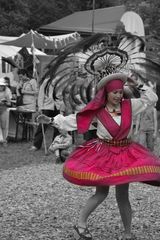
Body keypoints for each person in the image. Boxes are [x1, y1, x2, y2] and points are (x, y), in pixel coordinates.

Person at [37, 73, 160, 240]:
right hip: (105, 155)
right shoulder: (98, 112)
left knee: (123, 195)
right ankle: (80, 225)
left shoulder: (130, 105)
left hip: (125, 153)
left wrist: (136, 84)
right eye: (114, 92)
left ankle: (127, 233)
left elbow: (152, 99)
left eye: (120, 92)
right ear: (106, 93)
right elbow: (75, 120)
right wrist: (51, 120)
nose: (118, 95)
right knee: (101, 193)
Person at [29, 78, 59, 151]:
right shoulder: (46, 82)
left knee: (57, 127)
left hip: (57, 106)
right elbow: (41, 95)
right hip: (47, 106)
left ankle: (54, 145)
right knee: (42, 126)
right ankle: (36, 145)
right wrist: (40, 107)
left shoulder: (60, 81)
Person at [0, 77, 12, 146]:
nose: (1, 87)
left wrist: (4, 102)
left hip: (4, 109)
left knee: (4, 125)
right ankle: (1, 139)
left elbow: (9, 103)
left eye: (2, 86)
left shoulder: (7, 91)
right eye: (0, 86)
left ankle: (4, 140)